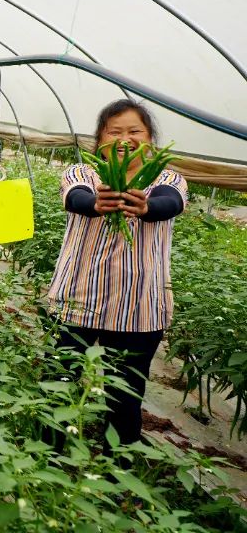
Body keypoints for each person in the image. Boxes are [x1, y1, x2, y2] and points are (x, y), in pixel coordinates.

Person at [46, 99, 187, 455]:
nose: (125, 138)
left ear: (150, 138)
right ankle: (45, 456)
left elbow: (170, 202)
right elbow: (75, 197)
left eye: (134, 131)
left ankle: (118, 470)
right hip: (78, 299)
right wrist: (95, 203)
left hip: (137, 307)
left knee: (124, 395)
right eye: (115, 131)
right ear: (100, 140)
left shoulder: (167, 179)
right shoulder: (83, 175)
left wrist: (146, 207)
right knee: (59, 383)